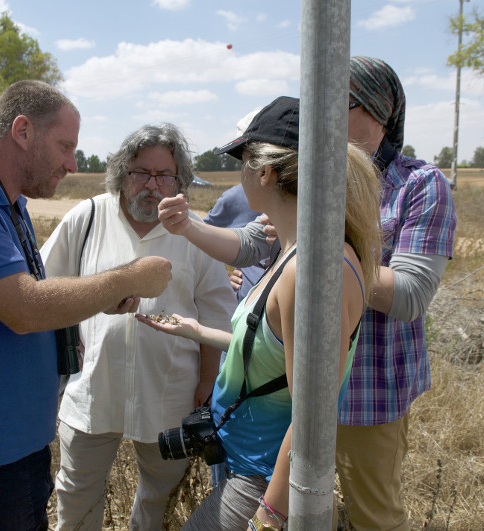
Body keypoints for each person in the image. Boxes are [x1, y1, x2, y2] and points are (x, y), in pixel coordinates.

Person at [158, 58, 457, 530]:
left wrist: (314, 266)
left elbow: (411, 294)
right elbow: (254, 242)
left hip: (368, 394)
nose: (324, 114)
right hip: (282, 391)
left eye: (340, 102)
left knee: (373, 517)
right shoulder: (305, 199)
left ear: (378, 112)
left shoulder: (419, 185)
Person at [0, 80, 174, 530]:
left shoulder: (6, 202)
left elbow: (26, 291)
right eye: (64, 146)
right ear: (22, 131)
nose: (72, 163)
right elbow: (26, 309)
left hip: (16, 445)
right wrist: (130, 276)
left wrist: (97, 298)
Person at [137, 95, 383, 530]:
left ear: (266, 172)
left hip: (264, 481)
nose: (239, 174)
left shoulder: (309, 270)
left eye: (243, 161)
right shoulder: (297, 253)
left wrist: (269, 516)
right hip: (250, 465)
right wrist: (199, 331)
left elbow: (312, 415)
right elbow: (275, 355)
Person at [41, 123, 237, 530]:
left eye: (164, 175)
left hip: (169, 396)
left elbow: (216, 311)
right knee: (76, 497)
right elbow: (44, 287)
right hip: (93, 390)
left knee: (156, 499)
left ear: (178, 181)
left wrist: (206, 381)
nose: (152, 185)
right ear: (121, 174)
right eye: (141, 173)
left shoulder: (194, 232)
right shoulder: (88, 218)